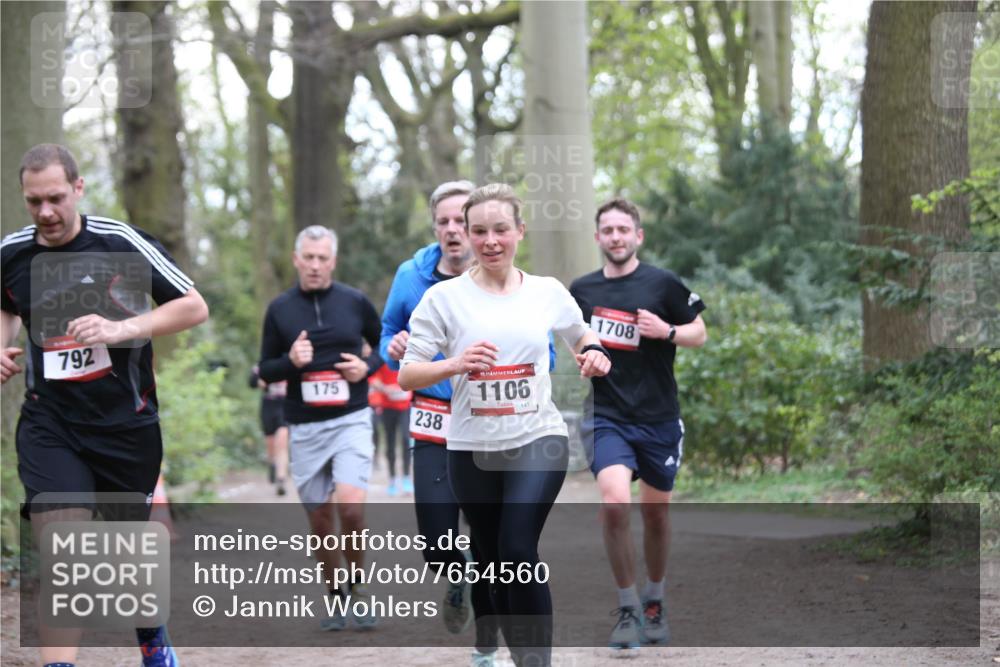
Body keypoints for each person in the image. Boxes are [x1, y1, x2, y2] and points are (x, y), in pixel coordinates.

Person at [1, 143, 210, 667]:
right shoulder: (12, 253)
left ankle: (152, 636)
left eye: (54, 198)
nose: (45, 212)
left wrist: (122, 328)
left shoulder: (121, 243)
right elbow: (6, 305)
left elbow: (193, 306)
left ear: (77, 189)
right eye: (33, 202)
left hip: (124, 425)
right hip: (51, 422)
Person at [398, 184, 612, 667]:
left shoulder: (547, 292)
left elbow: (583, 336)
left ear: (520, 231)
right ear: (467, 236)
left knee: (517, 548)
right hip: (471, 447)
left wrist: (595, 354)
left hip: (538, 437)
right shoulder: (443, 298)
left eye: (500, 229)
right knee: (493, 564)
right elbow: (407, 373)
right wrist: (454, 364)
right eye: (479, 231)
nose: (490, 240)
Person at [569, 197, 707, 649]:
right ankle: (627, 607)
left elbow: (699, 332)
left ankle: (655, 598)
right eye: (607, 230)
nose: (615, 237)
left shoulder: (662, 283)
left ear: (638, 236)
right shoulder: (582, 290)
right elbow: (576, 342)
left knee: (656, 515)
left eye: (623, 230)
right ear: (597, 238)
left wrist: (665, 331)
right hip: (609, 416)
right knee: (613, 503)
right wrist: (585, 358)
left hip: (659, 418)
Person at [381, 180, 503, 666]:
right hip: (433, 423)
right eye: (444, 222)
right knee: (436, 544)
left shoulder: (502, 281)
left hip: (488, 424)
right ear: (435, 227)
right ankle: (458, 574)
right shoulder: (411, 277)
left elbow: (543, 347)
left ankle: (485, 649)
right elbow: (389, 330)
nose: (453, 231)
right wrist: (389, 349)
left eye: (462, 222)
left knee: (491, 544)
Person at [257, 224, 383, 631]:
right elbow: (264, 370)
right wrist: (290, 362)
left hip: (351, 418)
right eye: (307, 258)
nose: (314, 265)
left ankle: (360, 591)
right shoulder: (279, 309)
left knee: (351, 508)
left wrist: (367, 367)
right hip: (305, 425)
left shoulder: (354, 301)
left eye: (322, 258)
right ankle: (335, 597)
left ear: (333, 261)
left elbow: (386, 346)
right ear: (297, 259)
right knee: (320, 521)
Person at [368, 364, 412, 495]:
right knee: (390, 443)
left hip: (405, 407)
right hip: (388, 407)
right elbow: (373, 379)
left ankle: (406, 478)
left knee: (406, 440)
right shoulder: (383, 358)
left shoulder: (409, 356)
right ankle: (392, 479)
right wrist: (385, 388)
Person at [248, 364, 289, 495]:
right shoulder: (263, 365)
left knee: (282, 441)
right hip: (268, 406)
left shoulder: (290, 361)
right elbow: (252, 382)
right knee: (271, 443)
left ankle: (281, 478)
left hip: (285, 405)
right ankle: (272, 463)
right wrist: (262, 382)